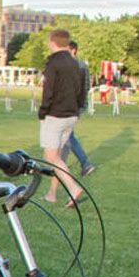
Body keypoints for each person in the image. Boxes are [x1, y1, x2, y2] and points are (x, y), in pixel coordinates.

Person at [38, 29, 87, 206]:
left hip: (55, 114)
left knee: (51, 157)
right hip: (71, 114)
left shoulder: (53, 64)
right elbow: (82, 92)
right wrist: (77, 110)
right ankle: (52, 193)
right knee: (58, 156)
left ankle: (73, 188)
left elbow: (48, 92)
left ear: (52, 43)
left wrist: (42, 113)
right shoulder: (77, 64)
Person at [63, 41, 96, 177]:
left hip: (70, 106)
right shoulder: (81, 66)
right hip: (75, 106)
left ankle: (85, 163)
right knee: (65, 137)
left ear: (73, 50)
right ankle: (60, 166)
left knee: (67, 137)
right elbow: (85, 87)